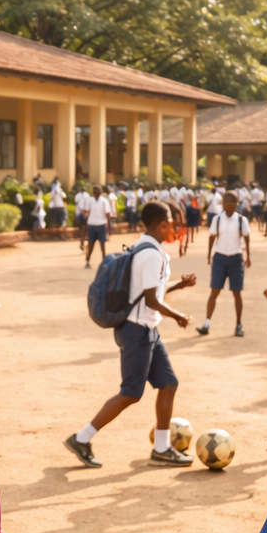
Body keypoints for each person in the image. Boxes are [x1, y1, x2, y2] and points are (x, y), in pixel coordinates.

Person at [64, 201, 196, 469]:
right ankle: (82, 438)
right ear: (161, 224)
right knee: (131, 392)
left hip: (146, 329)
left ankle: (161, 448)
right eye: (171, 222)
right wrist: (178, 316)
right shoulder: (152, 254)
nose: (173, 226)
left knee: (168, 384)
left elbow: (148, 291)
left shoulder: (145, 247)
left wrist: (179, 284)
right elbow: (150, 300)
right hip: (138, 330)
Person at [198, 190, 251, 338]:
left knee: (237, 293)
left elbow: (246, 237)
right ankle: (206, 323)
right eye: (226, 204)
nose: (229, 207)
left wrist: (248, 256)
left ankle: (238, 325)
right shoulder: (217, 219)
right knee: (214, 291)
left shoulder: (241, 220)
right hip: (220, 258)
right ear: (223, 204)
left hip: (236, 258)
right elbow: (212, 237)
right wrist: (209, 256)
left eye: (232, 204)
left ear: (236, 205)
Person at [83, 183, 116, 268]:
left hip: (101, 224)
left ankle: (104, 262)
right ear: (93, 192)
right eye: (95, 191)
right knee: (91, 244)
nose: (96, 192)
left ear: (100, 192)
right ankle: (87, 261)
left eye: (98, 190)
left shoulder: (104, 201)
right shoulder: (89, 201)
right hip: (92, 224)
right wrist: (85, 226)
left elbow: (108, 215)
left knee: (102, 245)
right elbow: (86, 212)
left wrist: (109, 229)